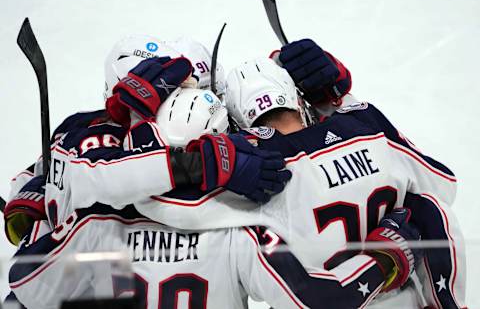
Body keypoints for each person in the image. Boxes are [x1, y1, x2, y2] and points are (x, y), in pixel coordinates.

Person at [9, 87, 418, 309]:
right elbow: (320, 301)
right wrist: (385, 258)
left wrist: (44, 218)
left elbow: (24, 287)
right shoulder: (241, 232)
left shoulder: (96, 224)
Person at [133, 42, 466, 308]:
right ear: (297, 98)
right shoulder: (367, 126)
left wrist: (196, 162)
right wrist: (336, 99)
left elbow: (155, 201)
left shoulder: (257, 175)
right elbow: (443, 185)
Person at [3, 35, 290, 245]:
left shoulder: (80, 130)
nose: (197, 97)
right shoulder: (82, 130)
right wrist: (34, 192)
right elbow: (62, 173)